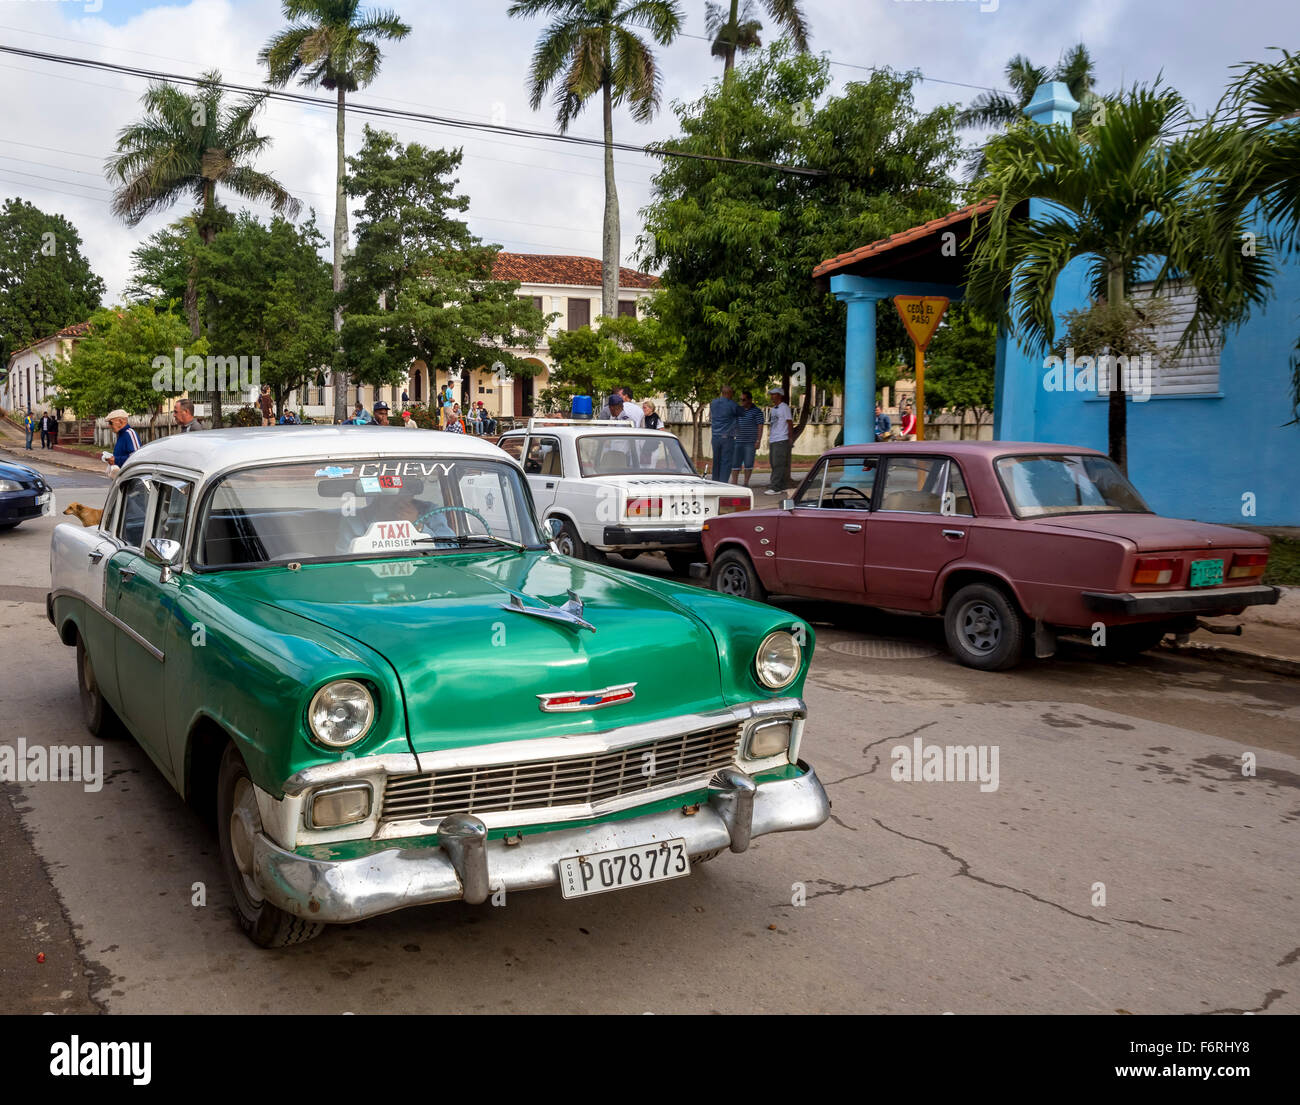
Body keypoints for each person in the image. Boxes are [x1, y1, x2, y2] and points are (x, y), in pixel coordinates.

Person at [731, 391, 765, 486]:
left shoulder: (757, 411)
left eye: (744, 400)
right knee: (735, 464)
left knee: (748, 464)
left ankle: (746, 483)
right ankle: (734, 484)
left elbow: (760, 426)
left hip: (750, 442)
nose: (741, 401)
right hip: (738, 441)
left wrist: (758, 441)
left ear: (750, 400)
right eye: (740, 399)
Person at [763, 388, 793, 495]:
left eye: (773, 394)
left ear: (779, 395)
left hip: (781, 439)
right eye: (771, 395)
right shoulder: (774, 409)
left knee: (778, 464)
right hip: (774, 439)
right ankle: (782, 485)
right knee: (775, 463)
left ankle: (775, 487)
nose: (771, 397)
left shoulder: (784, 408)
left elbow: (789, 423)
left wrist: (790, 438)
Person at [709, 385, 740, 483]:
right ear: (729, 393)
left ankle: (715, 482)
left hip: (715, 437)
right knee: (726, 462)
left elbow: (711, 416)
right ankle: (723, 483)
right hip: (727, 437)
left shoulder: (713, 403)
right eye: (732, 393)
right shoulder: (733, 405)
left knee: (716, 461)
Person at [101, 409, 141, 474]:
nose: (109, 426)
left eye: (111, 423)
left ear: (120, 421)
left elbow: (137, 457)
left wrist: (116, 460)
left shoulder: (130, 433)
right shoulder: (122, 435)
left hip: (130, 477)